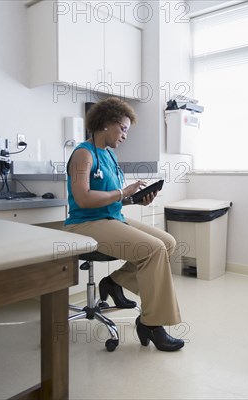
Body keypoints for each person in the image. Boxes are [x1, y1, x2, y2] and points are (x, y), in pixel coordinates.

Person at [64, 97, 184, 352]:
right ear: (107, 123)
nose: (125, 136)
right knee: (153, 249)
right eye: (124, 129)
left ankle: (115, 282)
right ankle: (152, 324)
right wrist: (121, 193)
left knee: (168, 243)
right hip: (85, 223)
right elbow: (84, 198)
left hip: (111, 217)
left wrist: (134, 200)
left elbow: (113, 198)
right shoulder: (83, 154)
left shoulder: (110, 155)